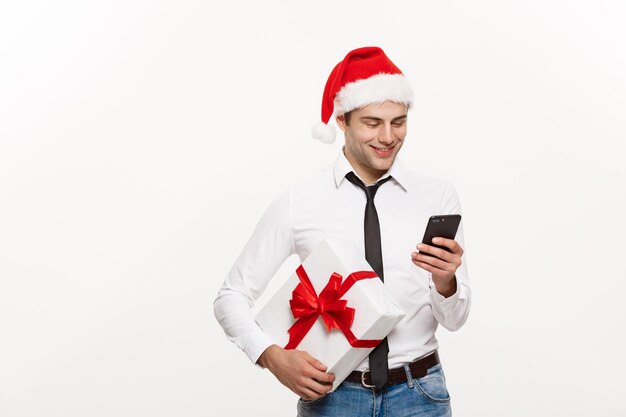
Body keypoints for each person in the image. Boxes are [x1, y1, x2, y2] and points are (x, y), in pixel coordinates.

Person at [213, 46, 471, 417]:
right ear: (342, 120)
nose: (388, 137)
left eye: (398, 121)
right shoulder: (299, 202)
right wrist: (271, 357)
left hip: (420, 395)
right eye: (372, 122)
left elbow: (455, 320)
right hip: (333, 397)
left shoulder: (437, 196)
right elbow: (231, 295)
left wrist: (447, 283)